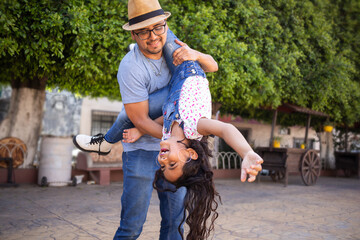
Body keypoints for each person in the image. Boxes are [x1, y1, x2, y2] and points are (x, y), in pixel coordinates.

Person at [73, 0, 219, 239]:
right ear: (133, 33)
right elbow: (138, 119)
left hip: (174, 154)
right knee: (131, 226)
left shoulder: (176, 48)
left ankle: (106, 141)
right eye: (143, 31)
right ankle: (106, 141)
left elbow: (212, 66)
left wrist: (196, 54)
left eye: (158, 27)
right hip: (141, 151)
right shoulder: (130, 67)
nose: (153, 36)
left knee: (174, 225)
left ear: (165, 25)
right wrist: (172, 139)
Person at [121, 26, 264, 240]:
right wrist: (246, 153)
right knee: (156, 27)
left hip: (172, 83)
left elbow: (168, 111)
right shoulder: (196, 127)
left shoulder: (168, 132)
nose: (163, 160)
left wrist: (140, 131)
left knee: (129, 113)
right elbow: (226, 129)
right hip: (187, 65)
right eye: (172, 164)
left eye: (162, 166)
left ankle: (139, 49)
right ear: (191, 154)